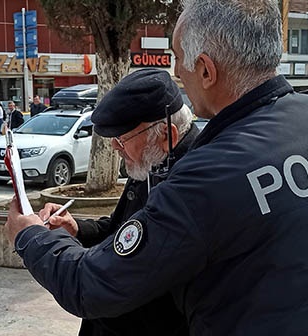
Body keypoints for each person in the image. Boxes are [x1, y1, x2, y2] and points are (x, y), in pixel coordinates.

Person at [5, 1, 308, 335]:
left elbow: (93, 286)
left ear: (205, 69)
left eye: (178, 59)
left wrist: (31, 236)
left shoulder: (207, 176)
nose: (177, 74)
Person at [38, 69, 197, 336]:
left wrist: (31, 238)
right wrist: (76, 228)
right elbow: (120, 229)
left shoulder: (192, 181)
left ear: (166, 135)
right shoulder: (152, 159)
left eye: (122, 139)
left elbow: (114, 276)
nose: (114, 147)